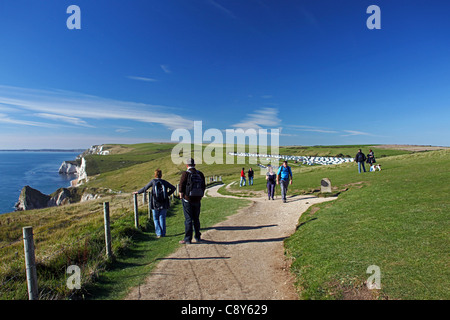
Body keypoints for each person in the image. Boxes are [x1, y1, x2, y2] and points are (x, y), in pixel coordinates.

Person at [134, 169, 176, 238]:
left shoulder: (153, 181)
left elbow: (145, 188)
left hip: (154, 203)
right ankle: (163, 233)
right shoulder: (164, 182)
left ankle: (158, 233)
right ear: (161, 175)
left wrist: (138, 192)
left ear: (155, 175)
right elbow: (173, 188)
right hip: (164, 203)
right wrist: (167, 194)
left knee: (156, 219)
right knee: (162, 218)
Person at [178, 158, 206, 244]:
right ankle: (197, 237)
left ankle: (187, 239)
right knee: (196, 219)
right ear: (195, 164)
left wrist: (181, 195)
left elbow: (181, 184)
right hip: (197, 199)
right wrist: (200, 195)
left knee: (188, 219)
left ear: (187, 165)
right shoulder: (200, 174)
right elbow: (203, 186)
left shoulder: (185, 173)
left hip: (188, 199)